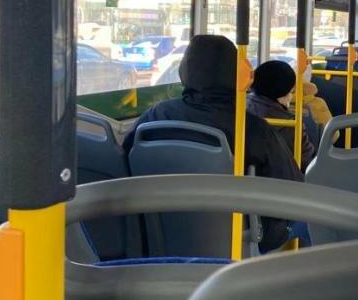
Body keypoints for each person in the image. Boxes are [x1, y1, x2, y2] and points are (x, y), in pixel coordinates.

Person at [122, 35, 302, 253]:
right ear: (235, 73)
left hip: (159, 234)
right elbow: (292, 188)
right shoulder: (253, 128)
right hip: (236, 242)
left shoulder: (155, 116)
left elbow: (124, 162)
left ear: (185, 70)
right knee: (303, 225)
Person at [247, 60, 317, 170]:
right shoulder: (291, 124)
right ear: (286, 92)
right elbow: (306, 162)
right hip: (279, 177)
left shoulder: (240, 108)